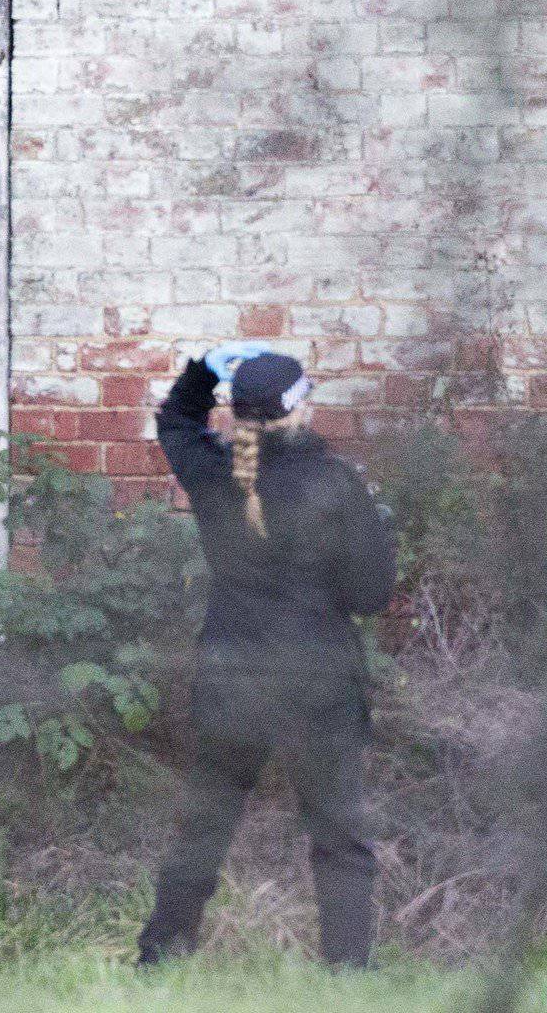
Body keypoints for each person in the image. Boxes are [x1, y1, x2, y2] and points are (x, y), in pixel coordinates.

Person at [137, 341, 397, 968]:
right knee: (339, 838)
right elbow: (372, 594)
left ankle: (158, 965)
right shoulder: (335, 485)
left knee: (203, 830)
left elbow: (174, 422)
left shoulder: (213, 474)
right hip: (319, 687)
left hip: (232, 683)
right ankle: (347, 978)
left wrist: (202, 369)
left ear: (240, 416)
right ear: (298, 408)